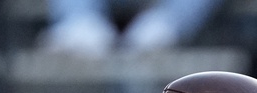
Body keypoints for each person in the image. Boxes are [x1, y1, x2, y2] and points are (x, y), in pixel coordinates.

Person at [39, 0, 224, 55]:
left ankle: (166, 25)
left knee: (161, 28)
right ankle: (79, 21)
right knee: (80, 22)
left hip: (167, 10)